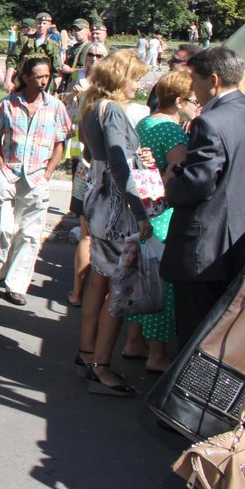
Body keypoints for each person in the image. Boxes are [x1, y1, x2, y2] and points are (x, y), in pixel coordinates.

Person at [76, 49, 153, 396]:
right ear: (120, 78)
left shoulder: (92, 107)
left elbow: (98, 155)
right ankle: (102, 366)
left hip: (99, 199)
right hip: (117, 207)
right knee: (118, 290)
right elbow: (121, 165)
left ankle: (87, 351)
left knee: (99, 282)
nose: (139, 84)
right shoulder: (113, 111)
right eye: (135, 77)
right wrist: (140, 212)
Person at [162, 47, 245, 347]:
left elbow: (198, 185)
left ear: (213, 80)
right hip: (234, 245)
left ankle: (189, 395)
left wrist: (172, 180)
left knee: (196, 337)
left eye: (194, 80)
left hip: (203, 249)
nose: (192, 89)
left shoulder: (210, 122)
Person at [121, 70, 198, 373]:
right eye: (193, 100)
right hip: (165, 214)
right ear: (179, 101)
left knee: (142, 280)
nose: (198, 106)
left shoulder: (145, 122)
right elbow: (175, 177)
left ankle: (133, 341)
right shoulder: (175, 133)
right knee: (161, 288)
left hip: (143, 210)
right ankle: (156, 355)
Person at [0, 57, 71, 305]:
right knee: (0, 227)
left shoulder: (55, 107)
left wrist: (49, 172)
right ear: (26, 77)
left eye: (47, 76)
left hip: (36, 177)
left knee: (29, 234)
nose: (44, 81)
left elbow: (61, 143)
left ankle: (16, 284)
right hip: (9, 173)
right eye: (39, 76)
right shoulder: (9, 104)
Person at [62, 43, 108, 307]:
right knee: (87, 229)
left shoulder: (104, 85)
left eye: (100, 55)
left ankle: (88, 290)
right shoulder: (77, 77)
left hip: (94, 157)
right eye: (91, 54)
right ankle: (79, 291)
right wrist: (73, 96)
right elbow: (65, 102)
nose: (95, 59)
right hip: (83, 151)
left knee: (94, 231)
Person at [5, 12, 60, 93]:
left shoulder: (52, 45)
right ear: (35, 24)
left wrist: (56, 85)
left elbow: (56, 68)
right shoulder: (24, 40)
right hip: (22, 81)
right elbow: (12, 59)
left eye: (44, 23)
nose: (41, 25)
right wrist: (8, 80)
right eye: (39, 23)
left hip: (41, 84)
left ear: (49, 25)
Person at [58, 19, 92, 92]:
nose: (76, 32)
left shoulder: (90, 48)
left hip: (81, 87)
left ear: (87, 31)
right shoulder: (72, 48)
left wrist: (70, 70)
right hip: (69, 85)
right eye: (75, 29)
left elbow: (89, 70)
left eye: (79, 29)